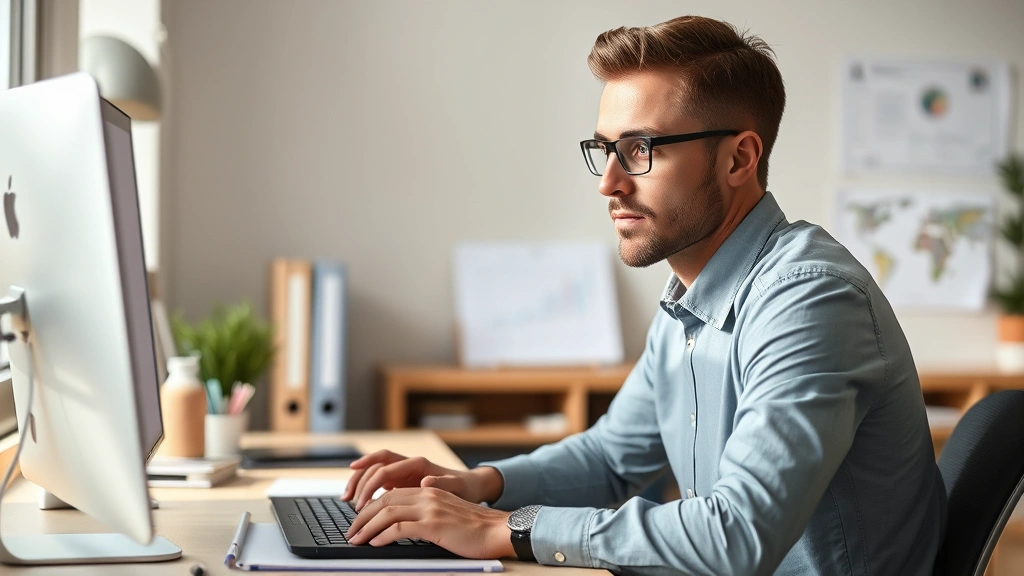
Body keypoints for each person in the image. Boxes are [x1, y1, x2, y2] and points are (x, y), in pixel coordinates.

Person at [342, 15, 947, 575]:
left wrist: (508, 528)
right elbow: (612, 457)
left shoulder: (808, 301)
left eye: (641, 149)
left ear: (740, 157)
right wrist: (476, 486)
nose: (609, 183)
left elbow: (735, 535)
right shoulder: (691, 292)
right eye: (606, 149)